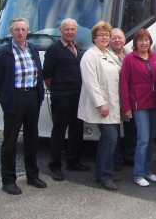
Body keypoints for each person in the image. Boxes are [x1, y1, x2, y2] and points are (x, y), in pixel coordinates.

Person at [0, 18, 47, 195]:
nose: (20, 32)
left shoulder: (33, 49)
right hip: (14, 98)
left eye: (23, 29)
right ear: (11, 32)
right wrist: (6, 97)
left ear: (28, 31)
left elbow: (38, 74)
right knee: (10, 141)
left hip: (32, 97)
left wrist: (38, 96)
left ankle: (32, 175)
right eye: (17, 29)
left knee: (31, 139)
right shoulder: (4, 53)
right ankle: (8, 181)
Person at [43, 18, 89, 182]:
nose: (70, 32)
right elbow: (47, 75)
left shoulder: (76, 47)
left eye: (72, 29)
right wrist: (55, 91)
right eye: (67, 29)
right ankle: (55, 166)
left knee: (76, 129)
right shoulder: (54, 49)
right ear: (61, 31)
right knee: (59, 130)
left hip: (77, 95)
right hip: (61, 95)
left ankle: (73, 161)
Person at [78, 21, 121, 191]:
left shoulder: (109, 54)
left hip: (112, 103)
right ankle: (105, 176)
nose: (105, 37)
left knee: (106, 140)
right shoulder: (90, 55)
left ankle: (102, 172)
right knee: (110, 139)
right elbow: (91, 83)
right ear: (94, 38)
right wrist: (100, 103)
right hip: (102, 105)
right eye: (101, 35)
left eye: (107, 35)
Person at [120, 29, 156, 187]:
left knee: (151, 138)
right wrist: (126, 106)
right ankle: (138, 174)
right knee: (143, 139)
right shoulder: (129, 59)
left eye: (146, 40)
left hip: (154, 104)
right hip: (139, 105)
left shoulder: (155, 57)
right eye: (140, 40)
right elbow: (124, 84)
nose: (144, 43)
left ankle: (148, 171)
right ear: (135, 43)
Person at [108, 28, 137, 171]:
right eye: (113, 38)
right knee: (113, 130)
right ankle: (115, 159)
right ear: (109, 40)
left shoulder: (131, 55)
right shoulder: (105, 55)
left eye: (120, 37)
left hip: (128, 98)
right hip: (112, 98)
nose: (117, 40)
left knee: (130, 128)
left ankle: (130, 156)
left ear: (125, 39)